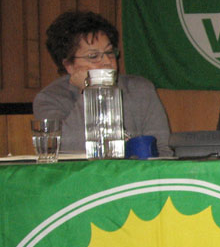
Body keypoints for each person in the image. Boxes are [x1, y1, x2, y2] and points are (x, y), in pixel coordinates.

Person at [34, 10, 173, 156]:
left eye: (109, 52)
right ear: (69, 65)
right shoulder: (50, 99)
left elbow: (162, 149)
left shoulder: (140, 89)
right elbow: (64, 149)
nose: (107, 61)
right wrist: (89, 91)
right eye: (93, 56)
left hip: (135, 171)